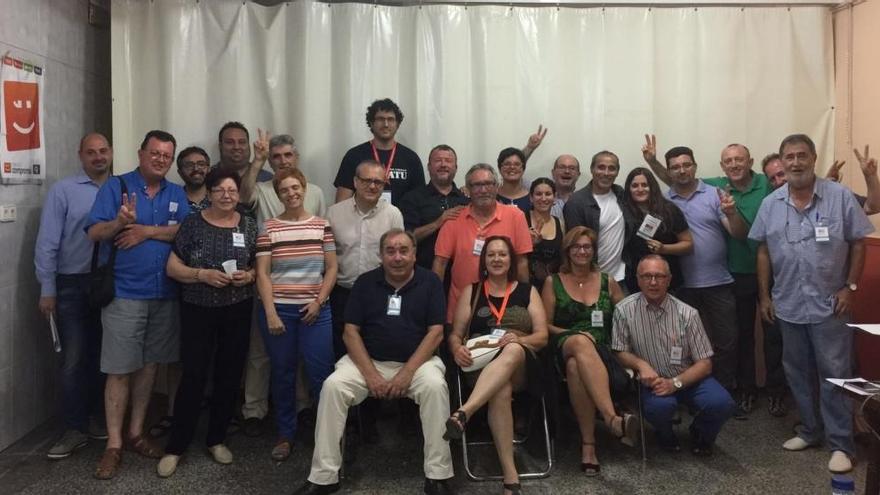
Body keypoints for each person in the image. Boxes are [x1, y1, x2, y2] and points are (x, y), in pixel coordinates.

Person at [294, 229, 454, 495]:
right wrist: (371, 376)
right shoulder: (365, 283)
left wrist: (406, 373)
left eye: (404, 250)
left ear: (414, 254)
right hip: (368, 362)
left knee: (436, 387)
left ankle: (437, 476)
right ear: (380, 255)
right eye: (390, 251)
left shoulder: (430, 283)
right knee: (333, 386)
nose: (397, 257)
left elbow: (436, 332)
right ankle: (324, 477)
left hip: (418, 363)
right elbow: (350, 331)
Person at [749, 134, 874, 474]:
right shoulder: (771, 204)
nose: (795, 162)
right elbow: (762, 249)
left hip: (830, 306)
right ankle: (809, 430)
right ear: (782, 161)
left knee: (835, 374)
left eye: (802, 155)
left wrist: (849, 287)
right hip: (788, 304)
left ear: (813, 158)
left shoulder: (839, 197)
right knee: (798, 373)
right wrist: (764, 295)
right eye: (789, 157)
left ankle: (841, 444)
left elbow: (859, 241)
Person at [86, 130, 190, 479]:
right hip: (124, 294)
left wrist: (145, 231)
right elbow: (93, 233)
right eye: (155, 153)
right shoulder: (116, 187)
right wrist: (119, 222)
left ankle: (136, 432)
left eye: (166, 155)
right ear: (141, 153)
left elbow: (186, 231)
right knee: (119, 369)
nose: (160, 159)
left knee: (148, 367)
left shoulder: (177, 192)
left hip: (164, 294)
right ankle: (113, 444)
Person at [156, 168, 258, 477]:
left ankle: (216, 439)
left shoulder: (250, 226)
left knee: (229, 375)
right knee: (194, 376)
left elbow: (258, 267)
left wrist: (249, 276)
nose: (226, 195)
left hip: (237, 309)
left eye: (232, 190)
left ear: (238, 195)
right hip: (197, 309)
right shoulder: (192, 223)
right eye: (220, 190)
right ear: (210, 193)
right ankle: (176, 446)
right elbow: (173, 267)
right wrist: (201, 274)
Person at [445, 236, 549, 495]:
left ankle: (464, 412)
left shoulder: (527, 291)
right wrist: (456, 348)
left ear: (511, 259)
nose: (497, 259)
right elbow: (456, 334)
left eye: (502, 254)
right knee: (500, 390)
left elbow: (542, 336)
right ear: (484, 260)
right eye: (491, 255)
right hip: (481, 366)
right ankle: (510, 475)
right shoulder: (472, 291)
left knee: (512, 348)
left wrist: (521, 338)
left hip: (523, 365)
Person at [647, 143, 748, 393]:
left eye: (686, 165)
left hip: (718, 282)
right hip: (680, 285)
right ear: (669, 172)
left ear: (695, 167)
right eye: (675, 167)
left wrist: (733, 213)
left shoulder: (715, 194)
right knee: (681, 343)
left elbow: (739, 234)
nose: (682, 171)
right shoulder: (662, 200)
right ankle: (691, 392)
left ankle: (724, 392)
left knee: (726, 341)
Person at [35, 133, 112, 459]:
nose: (98, 157)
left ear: (111, 152)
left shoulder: (120, 188)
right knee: (73, 359)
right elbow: (47, 242)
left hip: (109, 284)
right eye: (91, 152)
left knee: (103, 358)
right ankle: (73, 428)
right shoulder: (63, 191)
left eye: (103, 151)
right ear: (80, 155)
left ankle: (94, 419)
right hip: (70, 285)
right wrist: (47, 288)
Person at [612, 255, 736, 456]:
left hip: (687, 378)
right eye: (647, 276)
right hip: (653, 382)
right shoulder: (623, 310)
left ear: (669, 280)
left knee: (722, 404)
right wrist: (640, 364)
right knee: (660, 408)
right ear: (637, 279)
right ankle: (665, 434)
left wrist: (675, 383)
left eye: (659, 276)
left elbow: (705, 364)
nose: (653, 282)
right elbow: (619, 351)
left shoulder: (688, 313)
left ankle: (701, 433)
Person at [254, 168, 337, 462]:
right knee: (283, 374)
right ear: (278, 195)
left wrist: (318, 301)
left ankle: (326, 436)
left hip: (316, 311)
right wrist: (270, 312)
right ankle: (285, 434)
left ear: (304, 189)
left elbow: (332, 268)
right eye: (284, 190)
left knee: (321, 376)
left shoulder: (321, 225)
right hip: (280, 312)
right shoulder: (268, 228)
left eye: (295, 188)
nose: (291, 194)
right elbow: (263, 274)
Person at [540, 226, 636, 476]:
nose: (582, 251)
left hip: (602, 351)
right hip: (562, 345)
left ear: (593, 251)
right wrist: (574, 335)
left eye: (587, 247)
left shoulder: (609, 282)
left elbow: (627, 316)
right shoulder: (553, 282)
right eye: (576, 247)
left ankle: (589, 445)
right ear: (567, 251)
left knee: (576, 367)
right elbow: (545, 325)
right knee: (579, 345)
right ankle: (612, 418)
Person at [433, 164, 532, 323]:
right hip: (461, 311)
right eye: (477, 185)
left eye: (488, 184)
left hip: (507, 310)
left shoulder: (515, 216)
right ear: (467, 189)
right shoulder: (453, 219)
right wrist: (434, 304)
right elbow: (440, 263)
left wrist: (525, 300)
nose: (483, 190)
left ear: (497, 186)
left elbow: (522, 262)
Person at [326, 159, 405, 357]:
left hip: (379, 294)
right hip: (343, 294)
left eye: (378, 182)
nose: (372, 186)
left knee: (376, 349)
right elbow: (327, 257)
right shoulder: (334, 213)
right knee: (342, 350)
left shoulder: (393, 214)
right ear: (355, 181)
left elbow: (399, 259)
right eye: (366, 180)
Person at [562, 151, 635, 287]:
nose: (606, 173)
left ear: (617, 172)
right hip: (590, 279)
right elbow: (575, 247)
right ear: (592, 169)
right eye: (601, 167)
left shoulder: (621, 195)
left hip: (621, 277)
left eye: (612, 168)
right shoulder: (576, 202)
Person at [334, 98, 425, 207]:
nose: (386, 124)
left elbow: (420, 201)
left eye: (390, 119)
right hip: (362, 221)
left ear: (397, 124)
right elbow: (341, 203)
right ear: (371, 123)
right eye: (380, 119)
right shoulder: (354, 155)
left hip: (401, 222)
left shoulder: (411, 158)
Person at [621, 167, 692, 294]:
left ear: (652, 187)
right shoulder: (621, 212)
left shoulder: (669, 210)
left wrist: (664, 248)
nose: (640, 189)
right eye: (635, 186)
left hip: (668, 283)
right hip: (635, 283)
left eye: (645, 185)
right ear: (628, 189)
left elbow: (688, 245)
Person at [399, 144, 470, 272]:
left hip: (461, 274)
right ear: (428, 167)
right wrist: (438, 222)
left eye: (448, 161)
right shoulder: (412, 198)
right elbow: (407, 238)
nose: (443, 164)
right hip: (421, 273)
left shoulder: (466, 200)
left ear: (456, 167)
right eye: (438, 160)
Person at [525, 178, 562, 289]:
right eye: (538, 194)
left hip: (553, 287)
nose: (543, 198)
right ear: (531, 198)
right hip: (527, 286)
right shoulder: (521, 219)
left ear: (554, 197)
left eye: (548, 194)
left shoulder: (560, 223)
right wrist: (529, 244)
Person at [177, 146, 211, 212]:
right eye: (189, 165)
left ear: (208, 169)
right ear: (180, 173)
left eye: (201, 164)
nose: (196, 169)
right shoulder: (174, 200)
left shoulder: (218, 198)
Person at [496, 148, 531, 213]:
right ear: (500, 168)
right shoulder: (492, 197)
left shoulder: (532, 199)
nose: (512, 167)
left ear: (523, 169)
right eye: (507, 164)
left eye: (517, 164)